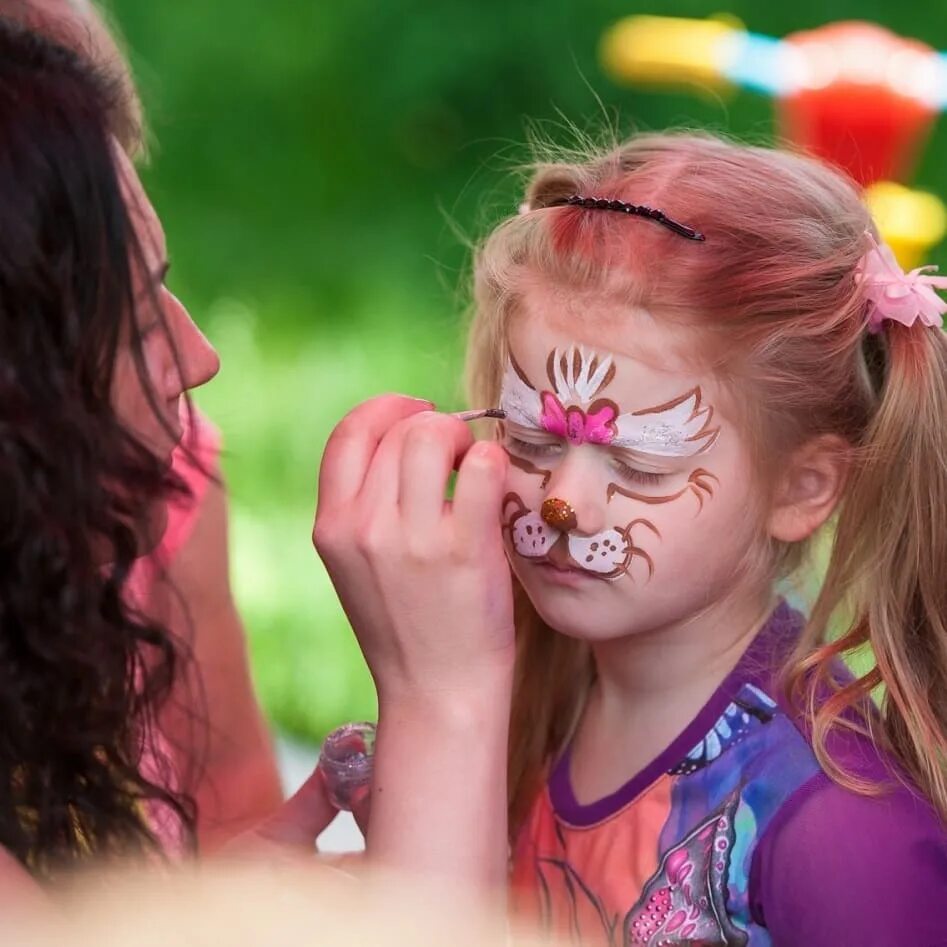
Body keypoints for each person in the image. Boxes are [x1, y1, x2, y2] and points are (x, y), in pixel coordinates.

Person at [318, 131, 947, 943]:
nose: (562, 503)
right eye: (533, 441)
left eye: (642, 463)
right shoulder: (537, 699)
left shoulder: (837, 834)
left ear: (801, 487)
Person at [0, 0, 285, 852]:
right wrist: (443, 692)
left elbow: (233, 805)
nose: (201, 359)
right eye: (124, 320)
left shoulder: (164, 477)